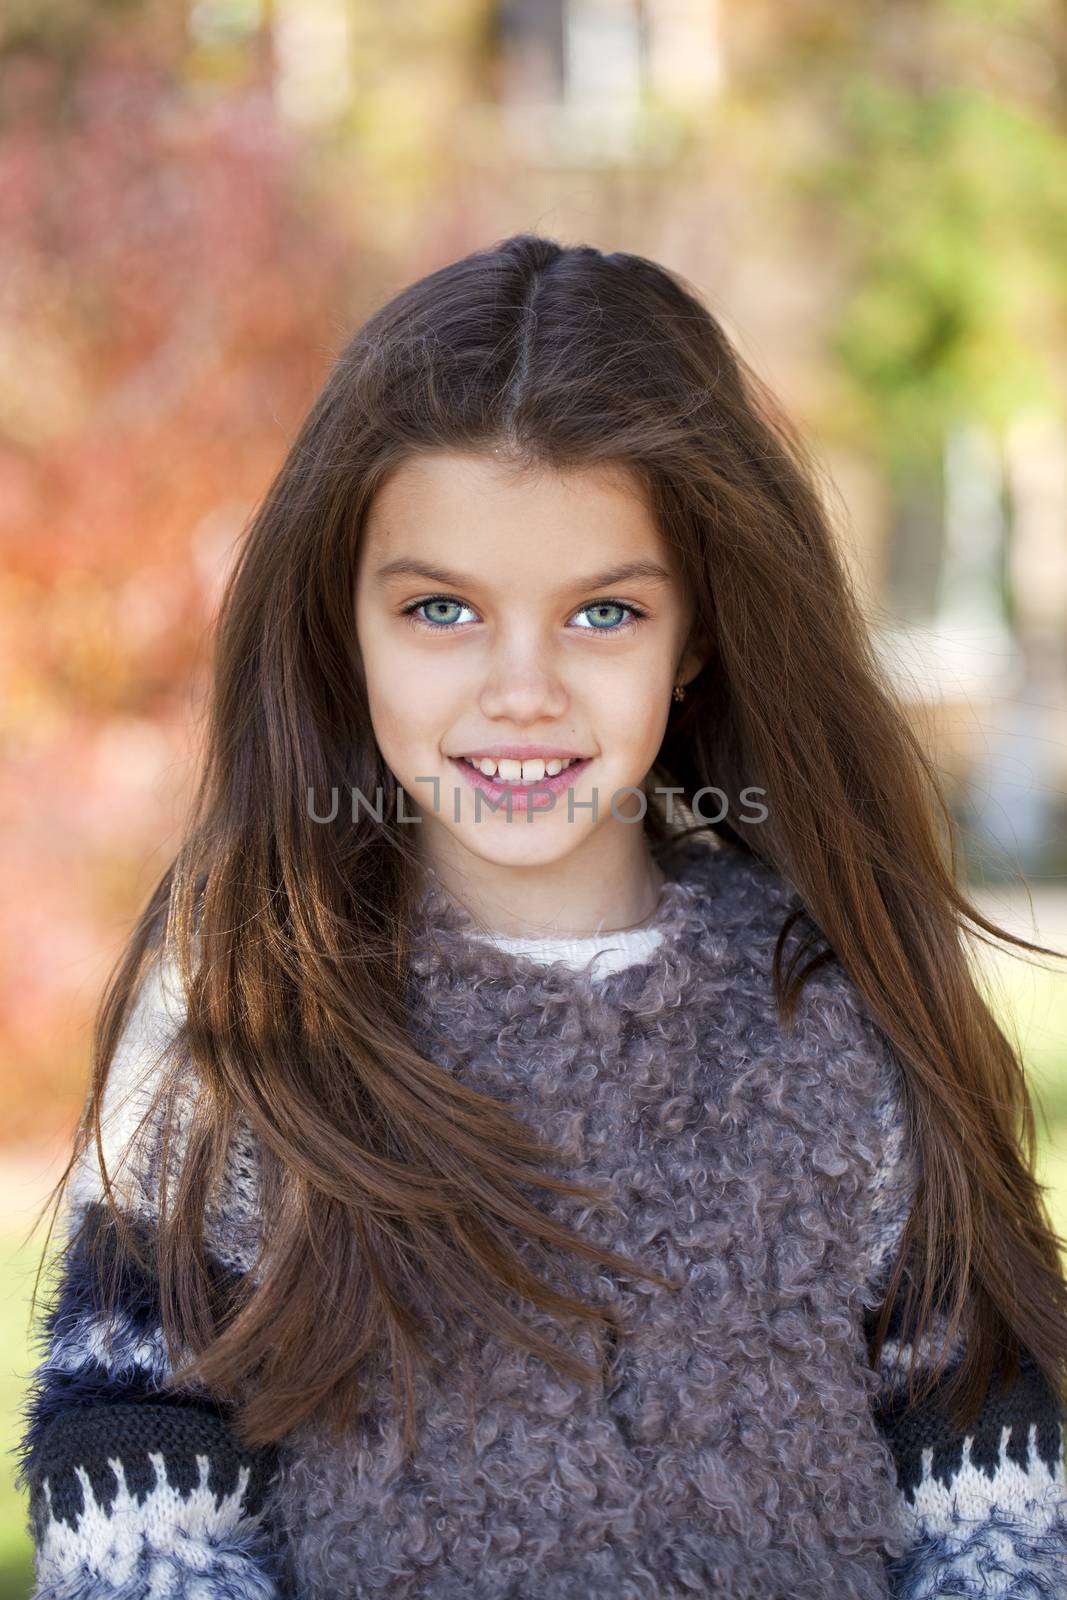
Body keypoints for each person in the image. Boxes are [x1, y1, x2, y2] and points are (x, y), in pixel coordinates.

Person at [17, 234, 1067, 1600]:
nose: (522, 691)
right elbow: (127, 1459)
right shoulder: (246, 1011)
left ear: (694, 636)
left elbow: (997, 1470)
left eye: (603, 613)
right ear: (347, 623)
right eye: (443, 609)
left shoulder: (837, 1006)